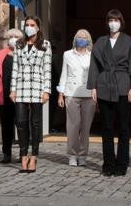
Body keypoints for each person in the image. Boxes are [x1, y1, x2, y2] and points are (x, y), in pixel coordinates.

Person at [87, 9, 131, 177]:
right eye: (110, 20)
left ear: (121, 22)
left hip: (123, 85)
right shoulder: (101, 42)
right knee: (107, 127)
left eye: (116, 20)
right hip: (103, 85)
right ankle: (108, 163)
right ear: (107, 22)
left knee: (124, 127)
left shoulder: (129, 41)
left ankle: (122, 163)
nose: (113, 23)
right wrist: (93, 87)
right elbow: (94, 65)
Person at [10, 15, 52, 173]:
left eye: (32, 24)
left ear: (38, 27)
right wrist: (12, 89)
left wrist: (46, 91)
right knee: (20, 122)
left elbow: (47, 69)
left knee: (35, 123)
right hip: (21, 87)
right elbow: (15, 68)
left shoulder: (45, 45)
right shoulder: (19, 45)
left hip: (37, 87)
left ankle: (34, 155)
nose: (29, 27)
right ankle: (23, 154)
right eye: (27, 24)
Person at [57, 29, 95, 167]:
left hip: (89, 94)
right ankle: (72, 155)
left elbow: (95, 76)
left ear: (89, 40)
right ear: (75, 39)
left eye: (84, 37)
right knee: (72, 126)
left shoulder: (93, 55)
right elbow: (64, 74)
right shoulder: (67, 54)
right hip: (71, 93)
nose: (81, 39)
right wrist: (61, 94)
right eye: (79, 37)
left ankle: (83, 155)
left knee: (86, 127)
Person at [0, 28, 23, 163]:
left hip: (20, 96)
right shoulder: (0, 54)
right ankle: (6, 153)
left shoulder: (23, 53)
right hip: (3, 96)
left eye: (16, 36)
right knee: (6, 125)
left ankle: (23, 152)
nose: (13, 38)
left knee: (21, 125)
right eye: (11, 36)